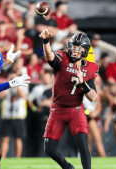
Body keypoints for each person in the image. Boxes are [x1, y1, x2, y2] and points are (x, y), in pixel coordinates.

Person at [40, 30, 99, 169]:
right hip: (57, 109)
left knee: (83, 144)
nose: (75, 50)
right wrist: (46, 42)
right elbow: (49, 56)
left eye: (79, 48)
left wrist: (82, 83)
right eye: (74, 46)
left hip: (76, 110)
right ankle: (68, 167)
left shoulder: (90, 68)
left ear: (85, 50)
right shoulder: (62, 57)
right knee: (49, 148)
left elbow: (93, 97)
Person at [0, 71, 28, 158]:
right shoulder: (6, 86)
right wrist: (8, 82)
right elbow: (0, 95)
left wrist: (17, 85)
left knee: (18, 138)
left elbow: (23, 95)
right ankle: (2, 158)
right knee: (5, 138)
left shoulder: (23, 85)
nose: (13, 80)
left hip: (18, 116)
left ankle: (17, 159)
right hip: (7, 116)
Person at [83, 76, 106, 157]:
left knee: (98, 139)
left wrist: (94, 113)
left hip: (94, 118)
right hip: (86, 117)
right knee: (88, 140)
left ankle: (103, 158)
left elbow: (99, 107)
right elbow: (82, 107)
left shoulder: (96, 94)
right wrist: (88, 112)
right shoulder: (82, 92)